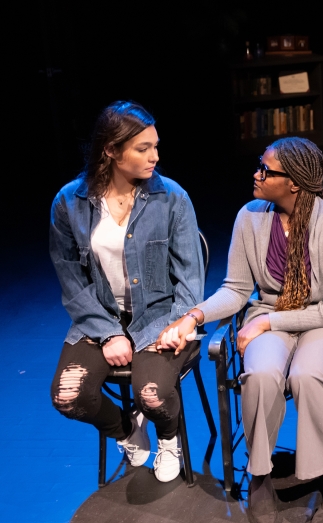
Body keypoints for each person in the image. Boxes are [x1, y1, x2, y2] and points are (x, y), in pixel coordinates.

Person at [159, 137, 323, 523]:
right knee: (261, 373)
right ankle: (260, 475)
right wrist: (194, 317)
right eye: (260, 165)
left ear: (294, 182)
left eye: (266, 170)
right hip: (269, 316)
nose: (257, 174)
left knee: (308, 375)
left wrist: (270, 321)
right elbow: (236, 289)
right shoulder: (251, 216)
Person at [49, 101, 205, 483]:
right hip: (99, 318)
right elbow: (71, 280)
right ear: (111, 151)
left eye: (155, 146)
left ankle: (169, 439)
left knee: (151, 393)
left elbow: (190, 276)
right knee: (69, 397)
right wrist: (108, 332)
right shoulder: (70, 202)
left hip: (161, 318)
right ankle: (125, 429)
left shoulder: (171, 197)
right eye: (143, 148)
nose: (155, 156)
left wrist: (182, 323)